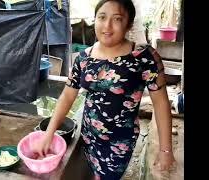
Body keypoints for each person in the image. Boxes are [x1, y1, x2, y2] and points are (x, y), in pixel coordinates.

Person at [33, 0, 176, 179]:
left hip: (120, 143)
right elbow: (67, 96)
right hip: (88, 137)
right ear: (95, 20)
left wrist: (165, 150)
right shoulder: (84, 58)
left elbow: (161, 103)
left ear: (129, 24)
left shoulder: (144, 57)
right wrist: (49, 133)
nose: (107, 26)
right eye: (102, 17)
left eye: (117, 19)